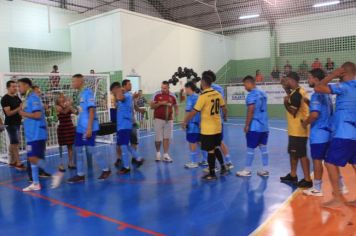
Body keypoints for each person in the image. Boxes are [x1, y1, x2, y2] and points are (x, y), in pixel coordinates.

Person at [314, 62, 356, 209]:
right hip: (354, 133)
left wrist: (332, 75)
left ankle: (337, 199)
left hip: (345, 133)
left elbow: (318, 88)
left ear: (343, 72)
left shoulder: (345, 87)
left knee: (330, 162)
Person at [302, 68, 348, 197]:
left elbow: (315, 115)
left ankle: (317, 188)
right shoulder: (326, 94)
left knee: (317, 160)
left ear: (316, 79)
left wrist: (304, 123)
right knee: (331, 161)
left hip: (319, 134)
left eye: (310, 77)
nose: (308, 79)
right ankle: (341, 185)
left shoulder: (316, 94)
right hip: (329, 133)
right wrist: (309, 103)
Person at [18, 78, 63, 191]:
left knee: (32, 158)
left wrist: (23, 113)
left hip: (36, 133)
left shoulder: (33, 98)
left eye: (20, 86)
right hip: (31, 134)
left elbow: (37, 115)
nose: (19, 88)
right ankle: (36, 183)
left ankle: (55, 173)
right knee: (33, 157)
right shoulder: (27, 98)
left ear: (26, 85)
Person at [182, 72, 228, 180]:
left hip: (208, 128)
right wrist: (224, 116)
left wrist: (185, 122)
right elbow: (224, 108)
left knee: (210, 150)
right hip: (218, 126)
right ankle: (223, 166)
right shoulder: (217, 93)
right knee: (216, 147)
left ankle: (212, 173)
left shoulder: (203, 96)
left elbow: (194, 111)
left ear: (203, 83)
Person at [67, 74, 111, 183]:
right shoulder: (79, 94)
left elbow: (92, 110)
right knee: (78, 150)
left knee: (91, 149)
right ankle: (80, 175)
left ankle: (106, 169)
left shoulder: (88, 93)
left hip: (88, 127)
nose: (72, 83)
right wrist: (69, 107)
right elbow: (78, 112)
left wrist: (89, 128)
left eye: (73, 81)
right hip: (80, 128)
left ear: (80, 81)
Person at [280, 72, 312, 188]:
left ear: (291, 80)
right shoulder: (296, 92)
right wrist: (285, 89)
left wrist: (284, 103)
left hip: (298, 130)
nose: (286, 82)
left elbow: (293, 111)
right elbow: (291, 97)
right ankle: (293, 175)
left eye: (287, 80)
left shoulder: (297, 94)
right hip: (295, 129)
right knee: (293, 153)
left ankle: (308, 179)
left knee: (302, 154)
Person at [236, 76, 269, 177]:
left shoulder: (251, 95)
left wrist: (247, 125)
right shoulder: (263, 93)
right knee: (263, 148)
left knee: (250, 148)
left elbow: (251, 110)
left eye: (245, 85)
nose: (244, 87)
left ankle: (247, 170)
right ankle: (265, 170)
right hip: (264, 126)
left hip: (255, 126)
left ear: (249, 83)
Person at [203, 70, 234, 169]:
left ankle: (213, 165)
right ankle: (228, 162)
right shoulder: (219, 89)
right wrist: (225, 116)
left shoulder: (206, 90)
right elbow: (223, 104)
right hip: (218, 121)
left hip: (209, 122)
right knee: (219, 142)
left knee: (211, 145)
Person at [114, 80, 144, 174]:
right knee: (124, 144)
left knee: (129, 143)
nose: (131, 85)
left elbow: (132, 105)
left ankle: (128, 165)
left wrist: (140, 110)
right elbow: (117, 105)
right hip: (123, 124)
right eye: (129, 84)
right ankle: (136, 158)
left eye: (131, 83)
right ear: (124, 86)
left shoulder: (127, 96)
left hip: (127, 124)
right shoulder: (126, 96)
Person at [151, 81, 179, 162]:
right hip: (158, 119)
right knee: (158, 138)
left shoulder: (173, 96)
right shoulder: (156, 94)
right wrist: (160, 103)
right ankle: (158, 153)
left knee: (167, 137)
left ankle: (166, 154)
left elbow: (176, 105)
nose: (163, 89)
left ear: (168, 87)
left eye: (165, 88)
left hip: (169, 120)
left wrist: (176, 112)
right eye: (162, 88)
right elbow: (152, 106)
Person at [1, 80, 25, 171]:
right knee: (15, 143)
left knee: (14, 142)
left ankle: (11, 161)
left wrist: (23, 116)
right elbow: (8, 113)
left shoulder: (16, 97)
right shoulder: (5, 99)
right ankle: (18, 162)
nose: (15, 88)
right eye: (13, 86)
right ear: (8, 87)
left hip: (17, 122)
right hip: (10, 124)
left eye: (16, 86)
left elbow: (21, 109)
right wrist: (19, 108)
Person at [183, 81, 208, 168]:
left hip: (192, 125)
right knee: (200, 142)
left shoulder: (190, 98)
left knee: (192, 142)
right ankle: (206, 160)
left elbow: (188, 112)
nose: (185, 90)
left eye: (186, 88)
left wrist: (184, 122)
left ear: (189, 88)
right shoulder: (199, 97)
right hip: (200, 124)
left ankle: (193, 162)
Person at [56, 93, 77, 171]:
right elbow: (64, 112)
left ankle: (70, 162)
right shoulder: (57, 107)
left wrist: (73, 107)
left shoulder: (68, 106)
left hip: (69, 127)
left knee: (70, 146)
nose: (62, 98)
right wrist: (70, 105)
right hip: (62, 128)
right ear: (57, 99)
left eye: (63, 96)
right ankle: (61, 164)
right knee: (61, 146)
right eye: (60, 97)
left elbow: (76, 112)